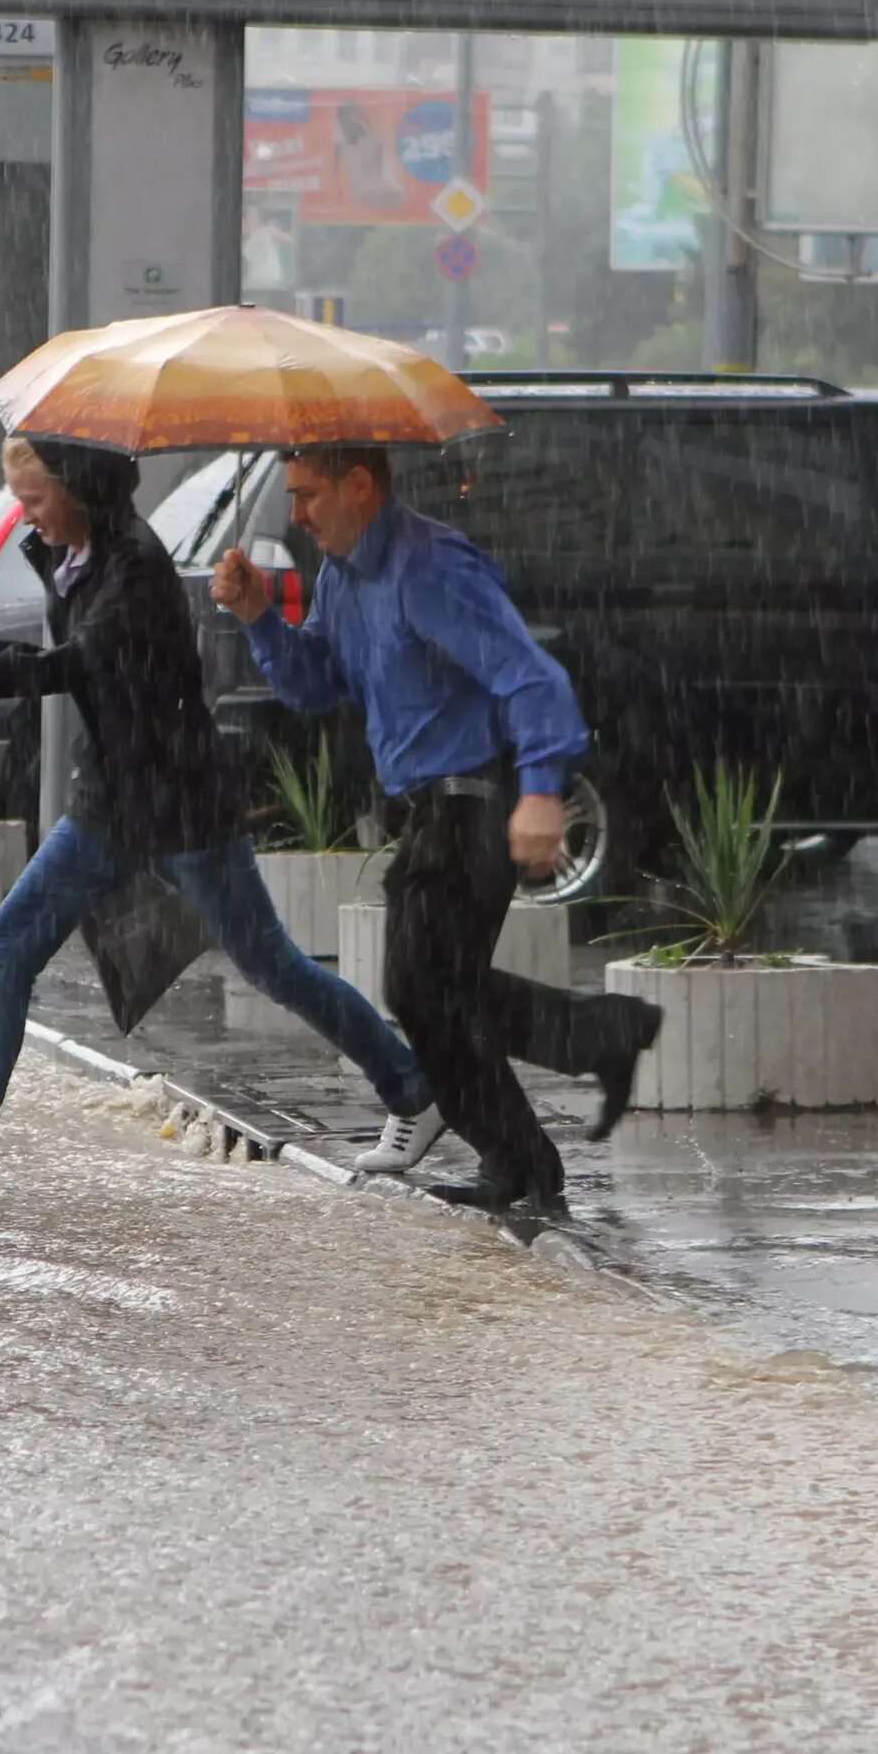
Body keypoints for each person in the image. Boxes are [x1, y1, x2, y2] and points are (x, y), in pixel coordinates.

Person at [0, 438, 445, 1193]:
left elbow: (77, 663)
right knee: (9, 943)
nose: (27, 517)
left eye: (36, 499)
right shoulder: (82, 553)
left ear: (77, 488)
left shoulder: (135, 568)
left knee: (272, 966)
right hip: (113, 803)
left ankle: (413, 1092)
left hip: (180, 808)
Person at [213, 446, 662, 1216]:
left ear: (360, 487)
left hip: (477, 803)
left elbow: (530, 675)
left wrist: (544, 791)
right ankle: (591, 1046)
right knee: (439, 994)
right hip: (425, 810)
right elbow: (318, 684)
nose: (298, 514)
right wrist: (260, 616)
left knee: (421, 990)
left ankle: (526, 1156)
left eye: (309, 494)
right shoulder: (341, 577)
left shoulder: (430, 567)